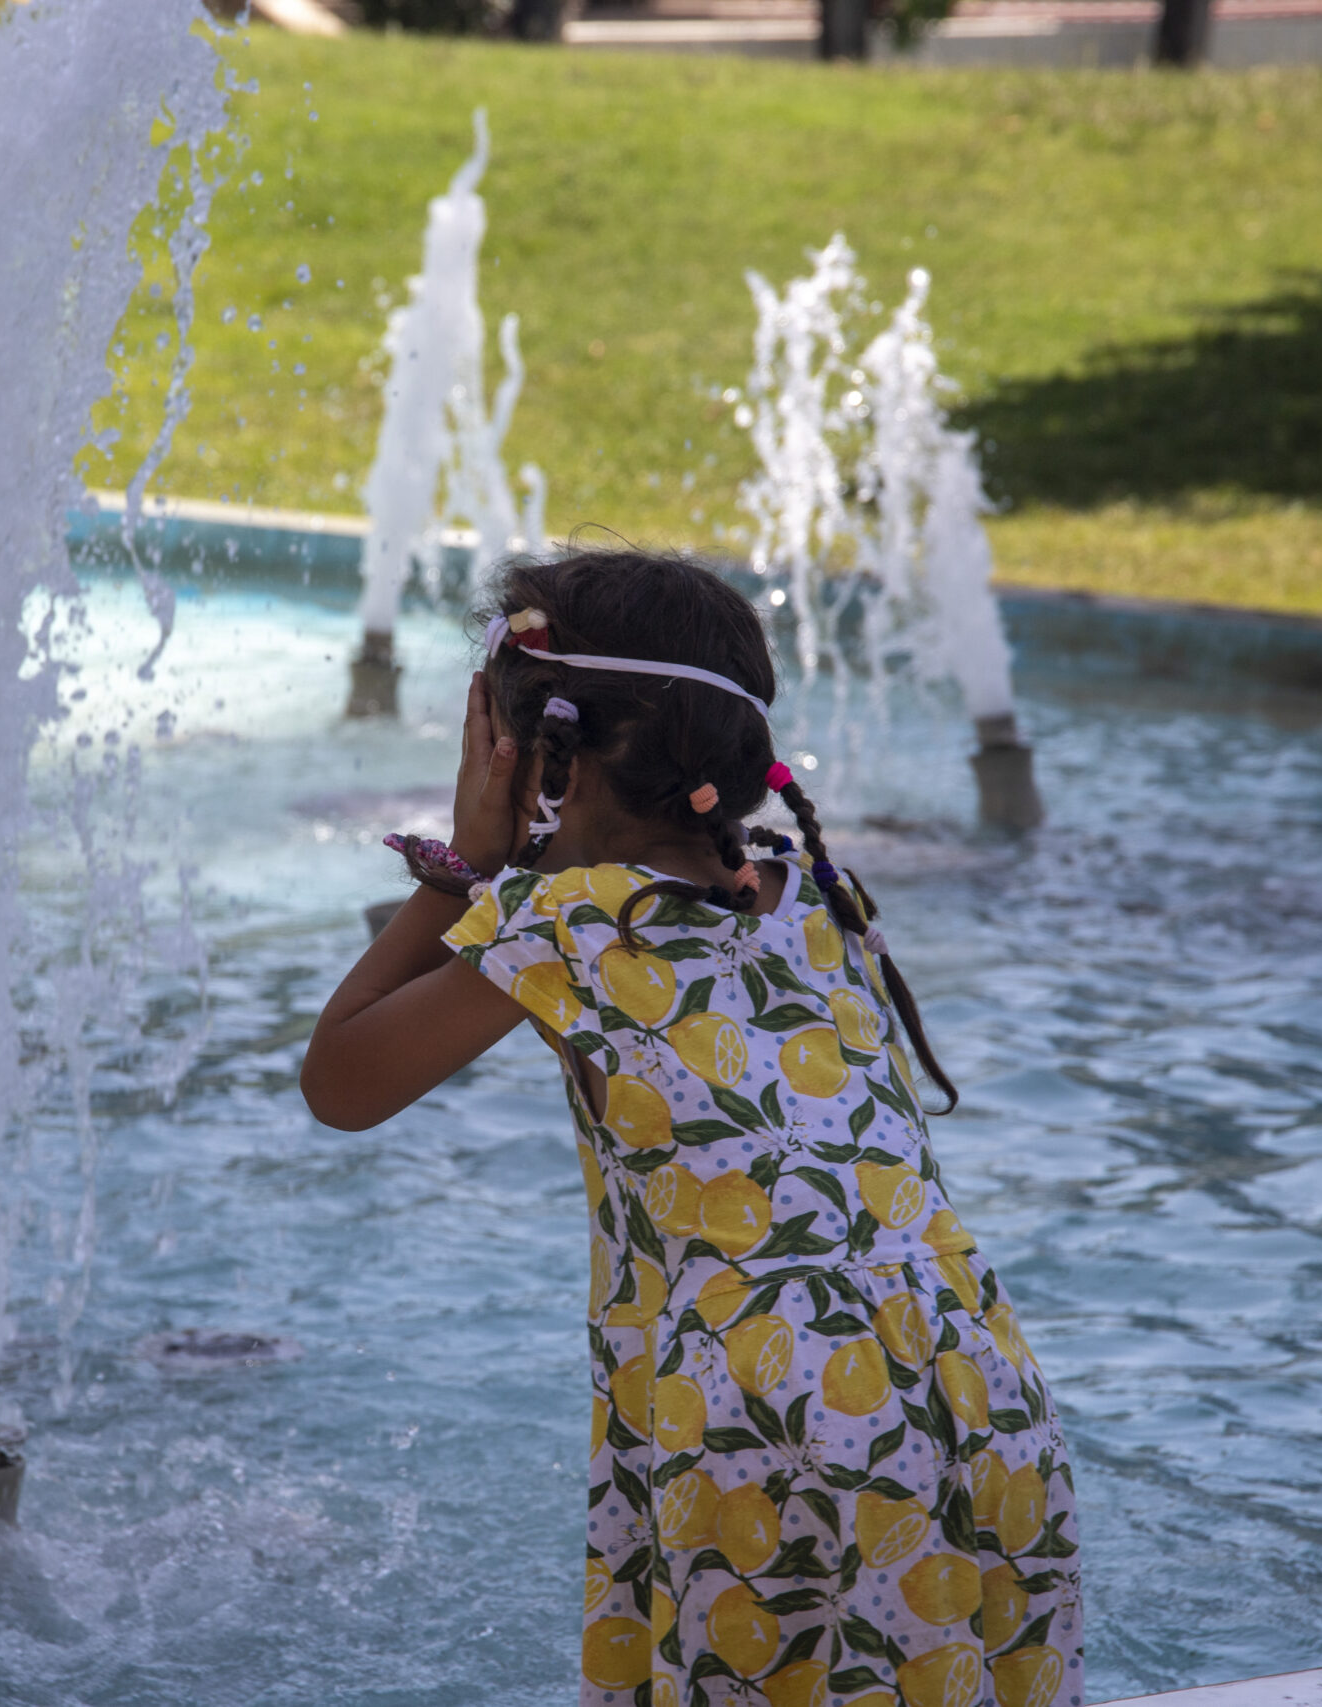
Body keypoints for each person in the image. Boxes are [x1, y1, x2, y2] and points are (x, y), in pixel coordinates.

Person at [302, 549, 1082, 1707]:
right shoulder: (814, 889)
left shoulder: (565, 924)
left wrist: (464, 865)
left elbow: (341, 1082)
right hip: (977, 1381)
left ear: (532, 760)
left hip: (770, 1411)